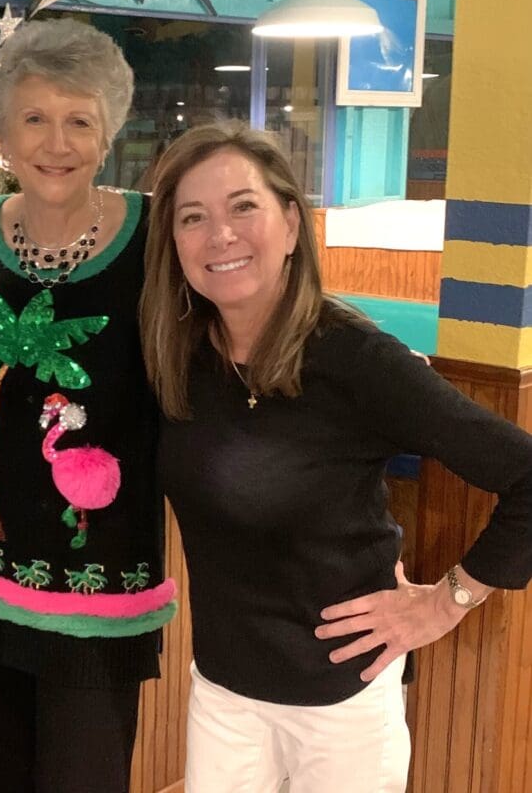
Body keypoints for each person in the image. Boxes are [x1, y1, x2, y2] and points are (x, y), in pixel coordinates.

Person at [140, 122, 532, 793]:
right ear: (173, 245)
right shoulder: (178, 359)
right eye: (193, 217)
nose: (220, 235)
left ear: (291, 222)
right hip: (223, 694)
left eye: (244, 207)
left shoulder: (356, 359)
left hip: (341, 706)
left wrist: (447, 602)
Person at [0, 17, 177, 793]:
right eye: (35, 117)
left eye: (80, 121)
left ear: (107, 134)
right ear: (0, 131)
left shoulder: (156, 239)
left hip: (98, 600)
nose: (57, 142)